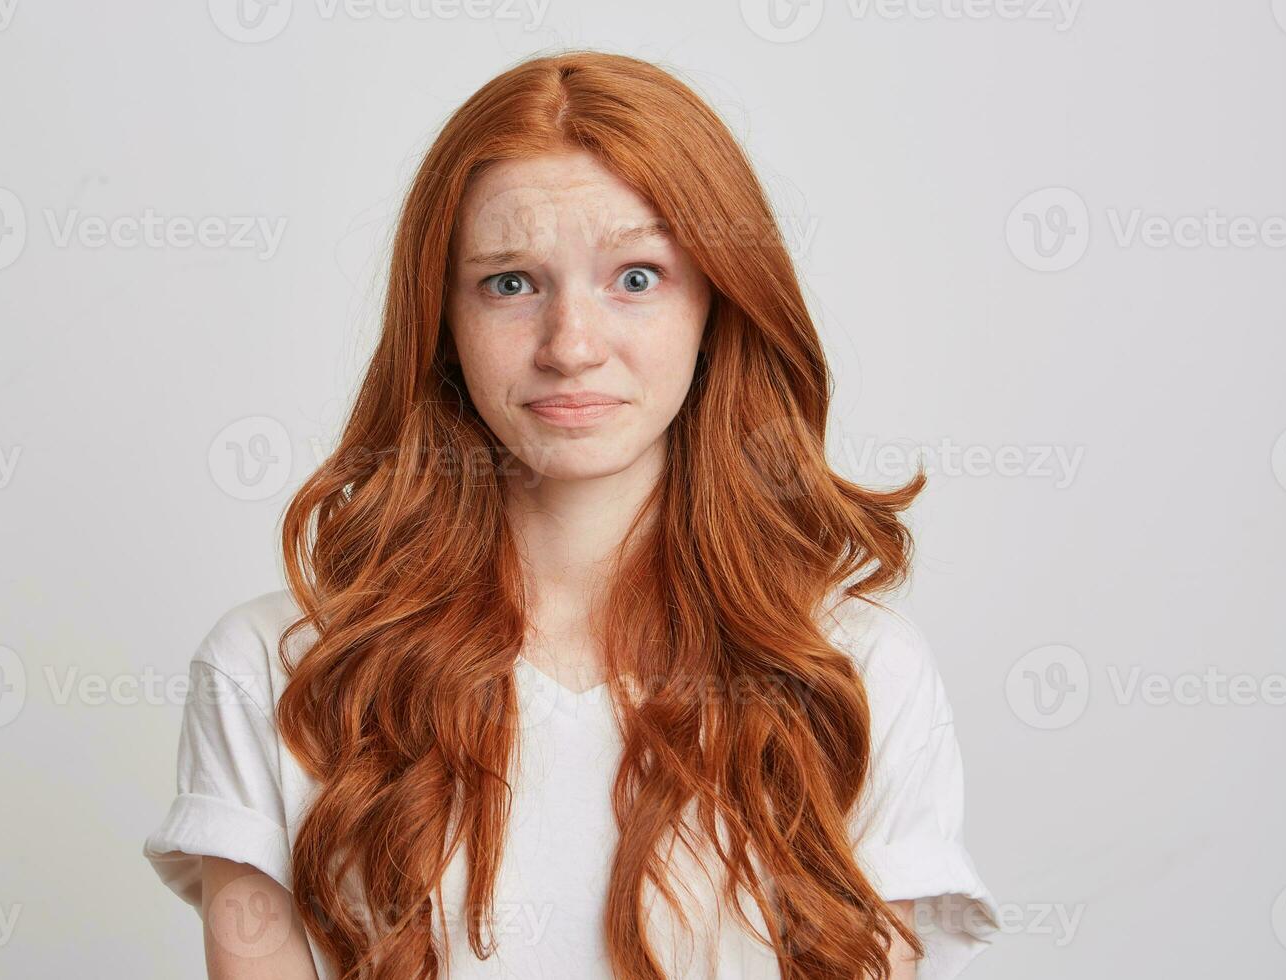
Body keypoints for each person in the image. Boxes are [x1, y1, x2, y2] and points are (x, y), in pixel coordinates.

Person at [143, 49, 1000, 980]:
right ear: (442, 319)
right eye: (510, 282)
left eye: (637, 277)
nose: (571, 347)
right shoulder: (272, 675)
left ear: (720, 304)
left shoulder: (858, 672)